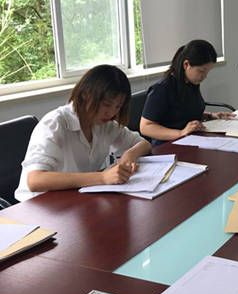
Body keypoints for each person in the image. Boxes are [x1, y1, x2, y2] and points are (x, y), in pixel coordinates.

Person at [15, 65, 152, 202]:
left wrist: (129, 155)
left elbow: (144, 144)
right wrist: (102, 177)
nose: (111, 113)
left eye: (118, 106)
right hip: (39, 205)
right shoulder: (54, 124)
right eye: (106, 104)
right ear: (85, 95)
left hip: (75, 199)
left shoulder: (104, 124)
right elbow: (35, 180)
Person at [140, 40, 233, 147]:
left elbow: (183, 111)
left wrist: (210, 115)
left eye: (208, 71)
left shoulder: (191, 83)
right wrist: (181, 133)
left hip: (192, 140)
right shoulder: (162, 89)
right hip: (169, 146)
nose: (205, 76)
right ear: (186, 64)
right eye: (202, 71)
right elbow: (145, 127)